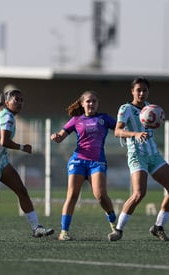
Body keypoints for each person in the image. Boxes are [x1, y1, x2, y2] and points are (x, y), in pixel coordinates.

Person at [0, 87, 54, 241]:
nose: (19, 103)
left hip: (0, 161)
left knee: (22, 190)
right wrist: (22, 147)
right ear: (7, 102)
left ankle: (36, 228)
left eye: (21, 100)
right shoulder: (7, 117)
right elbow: (4, 141)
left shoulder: (0, 115)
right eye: (15, 99)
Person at [108, 77, 169, 242]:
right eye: (138, 90)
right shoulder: (125, 109)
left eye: (144, 90)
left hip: (153, 154)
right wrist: (135, 134)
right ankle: (118, 230)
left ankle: (158, 227)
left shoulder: (150, 108)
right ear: (132, 91)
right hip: (136, 155)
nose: (141, 93)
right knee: (139, 193)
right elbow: (117, 131)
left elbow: (154, 123)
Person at [51, 90, 118, 241]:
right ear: (82, 104)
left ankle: (114, 223)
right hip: (78, 160)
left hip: (97, 162)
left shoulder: (104, 118)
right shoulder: (76, 119)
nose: (91, 104)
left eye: (94, 101)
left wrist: (130, 141)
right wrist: (57, 136)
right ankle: (64, 232)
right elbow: (62, 134)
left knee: (100, 195)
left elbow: (120, 130)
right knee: (72, 195)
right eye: (88, 101)